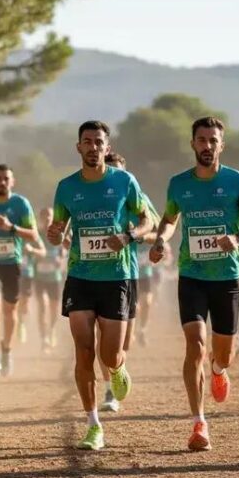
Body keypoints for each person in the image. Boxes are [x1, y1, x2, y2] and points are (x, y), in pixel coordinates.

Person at [150, 116, 239, 452]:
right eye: (201, 140)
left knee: (223, 354)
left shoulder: (236, 181)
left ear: (221, 145)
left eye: (213, 140)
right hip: (192, 276)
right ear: (193, 144)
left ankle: (219, 370)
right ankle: (198, 421)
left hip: (226, 278)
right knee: (195, 344)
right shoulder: (178, 184)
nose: (207, 146)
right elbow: (169, 220)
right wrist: (161, 240)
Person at [48, 121, 152, 450]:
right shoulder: (66, 187)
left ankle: (118, 368)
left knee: (109, 354)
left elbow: (148, 219)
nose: (93, 147)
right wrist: (53, 233)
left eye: (99, 142)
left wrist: (128, 236)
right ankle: (93, 423)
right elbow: (58, 227)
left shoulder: (124, 181)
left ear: (107, 147)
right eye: (87, 142)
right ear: (78, 147)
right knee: (83, 351)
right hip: (80, 277)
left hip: (116, 278)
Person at [98, 151, 160, 413]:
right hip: (94, 273)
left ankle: (119, 369)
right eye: (109, 169)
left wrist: (131, 235)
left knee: (125, 341)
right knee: (102, 335)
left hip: (127, 272)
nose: (114, 175)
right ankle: (110, 390)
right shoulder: (94, 195)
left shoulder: (138, 197)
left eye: (119, 171)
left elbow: (156, 232)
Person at [0, 164, 39, 377]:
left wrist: (11, 227)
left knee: (10, 310)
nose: (2, 182)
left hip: (12, 263)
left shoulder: (21, 204)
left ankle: (7, 350)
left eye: (6, 178)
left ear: (12, 182)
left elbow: (33, 235)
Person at [33, 207, 65, 353]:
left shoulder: (57, 233)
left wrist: (60, 258)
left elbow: (63, 250)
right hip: (40, 278)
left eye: (49, 216)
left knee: (53, 309)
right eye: (44, 216)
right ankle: (44, 337)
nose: (47, 219)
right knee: (43, 306)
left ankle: (51, 331)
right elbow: (29, 253)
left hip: (55, 278)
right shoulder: (37, 235)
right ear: (40, 219)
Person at [16, 236, 47, 346]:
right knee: (13, 301)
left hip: (27, 274)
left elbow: (43, 252)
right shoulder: (11, 230)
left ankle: (22, 322)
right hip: (12, 273)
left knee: (25, 303)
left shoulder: (33, 235)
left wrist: (31, 250)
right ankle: (19, 325)